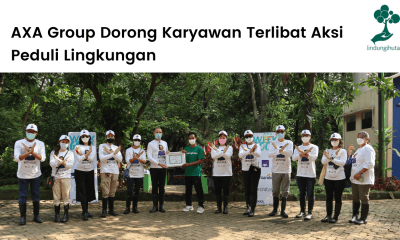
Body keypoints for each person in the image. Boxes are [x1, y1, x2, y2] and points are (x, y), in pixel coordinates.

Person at [14, 124, 46, 225]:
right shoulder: (19, 143)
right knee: (22, 196)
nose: (31, 133)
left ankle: (36, 216)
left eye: (33, 132)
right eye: (29, 131)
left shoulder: (40, 143)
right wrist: (28, 153)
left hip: (35, 174)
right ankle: (23, 217)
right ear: (25, 132)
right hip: (22, 174)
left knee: (36, 195)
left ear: (36, 134)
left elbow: (43, 158)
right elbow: (16, 158)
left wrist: (33, 153)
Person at [348, 131, 375, 225]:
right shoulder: (359, 150)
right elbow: (354, 162)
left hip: (364, 178)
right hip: (355, 179)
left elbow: (370, 163)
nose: (359, 138)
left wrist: (360, 173)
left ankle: (363, 218)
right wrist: (349, 153)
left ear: (367, 139)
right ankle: (355, 216)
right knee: (355, 197)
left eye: (362, 137)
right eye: (358, 137)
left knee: (364, 197)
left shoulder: (368, 149)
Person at [292, 130, 319, 220]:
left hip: (310, 174)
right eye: (303, 135)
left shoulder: (314, 147)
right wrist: (301, 153)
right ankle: (302, 211)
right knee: (301, 193)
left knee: (310, 193)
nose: (305, 137)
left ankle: (310, 212)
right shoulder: (298, 147)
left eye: (307, 135)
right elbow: (294, 158)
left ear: (310, 137)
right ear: (301, 137)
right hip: (300, 174)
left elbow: (314, 157)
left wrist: (305, 154)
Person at [267, 125, 293, 218]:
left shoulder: (289, 142)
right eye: (278, 131)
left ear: (285, 132)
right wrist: (279, 150)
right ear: (276, 133)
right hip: (276, 170)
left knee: (285, 191)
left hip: (286, 170)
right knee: (275, 191)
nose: (280, 133)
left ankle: (283, 211)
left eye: (282, 131)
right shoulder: (272, 143)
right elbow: (269, 154)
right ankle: (275, 210)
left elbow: (290, 154)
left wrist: (281, 150)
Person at [321, 133, 347, 223]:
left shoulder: (343, 151)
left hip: (339, 178)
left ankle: (335, 216)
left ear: (340, 141)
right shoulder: (327, 150)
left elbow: (342, 163)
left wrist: (331, 158)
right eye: (332, 140)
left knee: (338, 197)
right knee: (328, 197)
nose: (334, 141)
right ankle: (328, 215)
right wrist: (329, 157)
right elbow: (323, 161)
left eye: (336, 140)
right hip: (328, 178)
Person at [49, 135, 74, 223]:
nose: (64, 144)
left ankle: (66, 215)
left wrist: (59, 162)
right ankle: (57, 215)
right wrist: (61, 162)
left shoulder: (70, 153)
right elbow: (51, 164)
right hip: (55, 177)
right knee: (56, 197)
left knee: (66, 196)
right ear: (59, 142)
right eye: (63, 142)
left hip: (66, 177)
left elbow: (69, 166)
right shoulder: (54, 152)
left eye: (66, 142)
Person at [99, 130, 122, 218]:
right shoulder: (102, 146)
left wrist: (110, 153)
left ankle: (111, 209)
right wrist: (113, 153)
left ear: (114, 138)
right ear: (105, 137)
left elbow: (120, 159)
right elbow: (102, 158)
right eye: (108, 136)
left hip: (115, 171)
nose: (110, 137)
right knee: (105, 191)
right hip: (105, 171)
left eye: (112, 136)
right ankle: (104, 210)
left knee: (112, 192)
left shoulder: (116, 147)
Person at [238, 130, 261, 217]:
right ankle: (248, 208)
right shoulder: (242, 146)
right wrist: (250, 150)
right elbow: (240, 155)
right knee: (247, 189)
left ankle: (252, 209)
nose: (249, 138)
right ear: (245, 138)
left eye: (250, 136)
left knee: (253, 189)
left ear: (253, 136)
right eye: (247, 136)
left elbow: (258, 154)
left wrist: (251, 150)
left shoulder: (257, 145)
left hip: (254, 169)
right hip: (245, 169)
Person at [74, 129, 96, 221]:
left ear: (89, 137)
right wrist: (88, 153)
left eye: (86, 136)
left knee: (88, 191)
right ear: (80, 138)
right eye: (83, 136)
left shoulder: (93, 147)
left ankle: (86, 211)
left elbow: (91, 159)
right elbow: (79, 159)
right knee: (82, 191)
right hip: (79, 171)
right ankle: (84, 212)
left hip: (90, 171)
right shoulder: (77, 146)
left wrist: (83, 155)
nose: (85, 138)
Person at [181, 132, 205, 214]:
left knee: (198, 190)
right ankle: (189, 205)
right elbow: (182, 160)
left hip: (196, 172)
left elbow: (201, 160)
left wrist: (189, 164)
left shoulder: (199, 148)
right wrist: (181, 155)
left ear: (196, 139)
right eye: (190, 138)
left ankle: (201, 206)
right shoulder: (186, 149)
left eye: (193, 138)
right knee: (188, 190)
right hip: (187, 173)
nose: (191, 140)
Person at [147, 127, 169, 213]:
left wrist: (168, 153)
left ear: (162, 134)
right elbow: (149, 157)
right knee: (155, 187)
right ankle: (155, 206)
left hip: (163, 168)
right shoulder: (150, 144)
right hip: (154, 168)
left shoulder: (165, 143)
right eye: (157, 132)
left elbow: (166, 155)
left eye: (160, 132)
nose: (158, 133)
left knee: (162, 188)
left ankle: (161, 206)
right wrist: (158, 164)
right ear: (154, 133)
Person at [211, 130, 233, 214]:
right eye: (220, 137)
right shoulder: (214, 147)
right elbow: (213, 156)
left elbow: (228, 156)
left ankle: (225, 208)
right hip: (217, 173)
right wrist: (223, 152)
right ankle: (219, 208)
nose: (222, 139)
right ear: (218, 138)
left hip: (227, 173)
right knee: (218, 191)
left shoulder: (230, 147)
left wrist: (219, 152)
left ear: (226, 138)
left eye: (224, 137)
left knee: (226, 191)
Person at [124, 134, 146, 214]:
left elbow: (144, 161)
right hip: (131, 173)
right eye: (135, 140)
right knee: (129, 191)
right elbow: (128, 161)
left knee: (137, 191)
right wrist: (136, 158)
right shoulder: (128, 150)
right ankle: (127, 208)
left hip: (139, 173)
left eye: (138, 140)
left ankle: (135, 207)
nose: (137, 142)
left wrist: (137, 158)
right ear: (133, 141)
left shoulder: (142, 151)